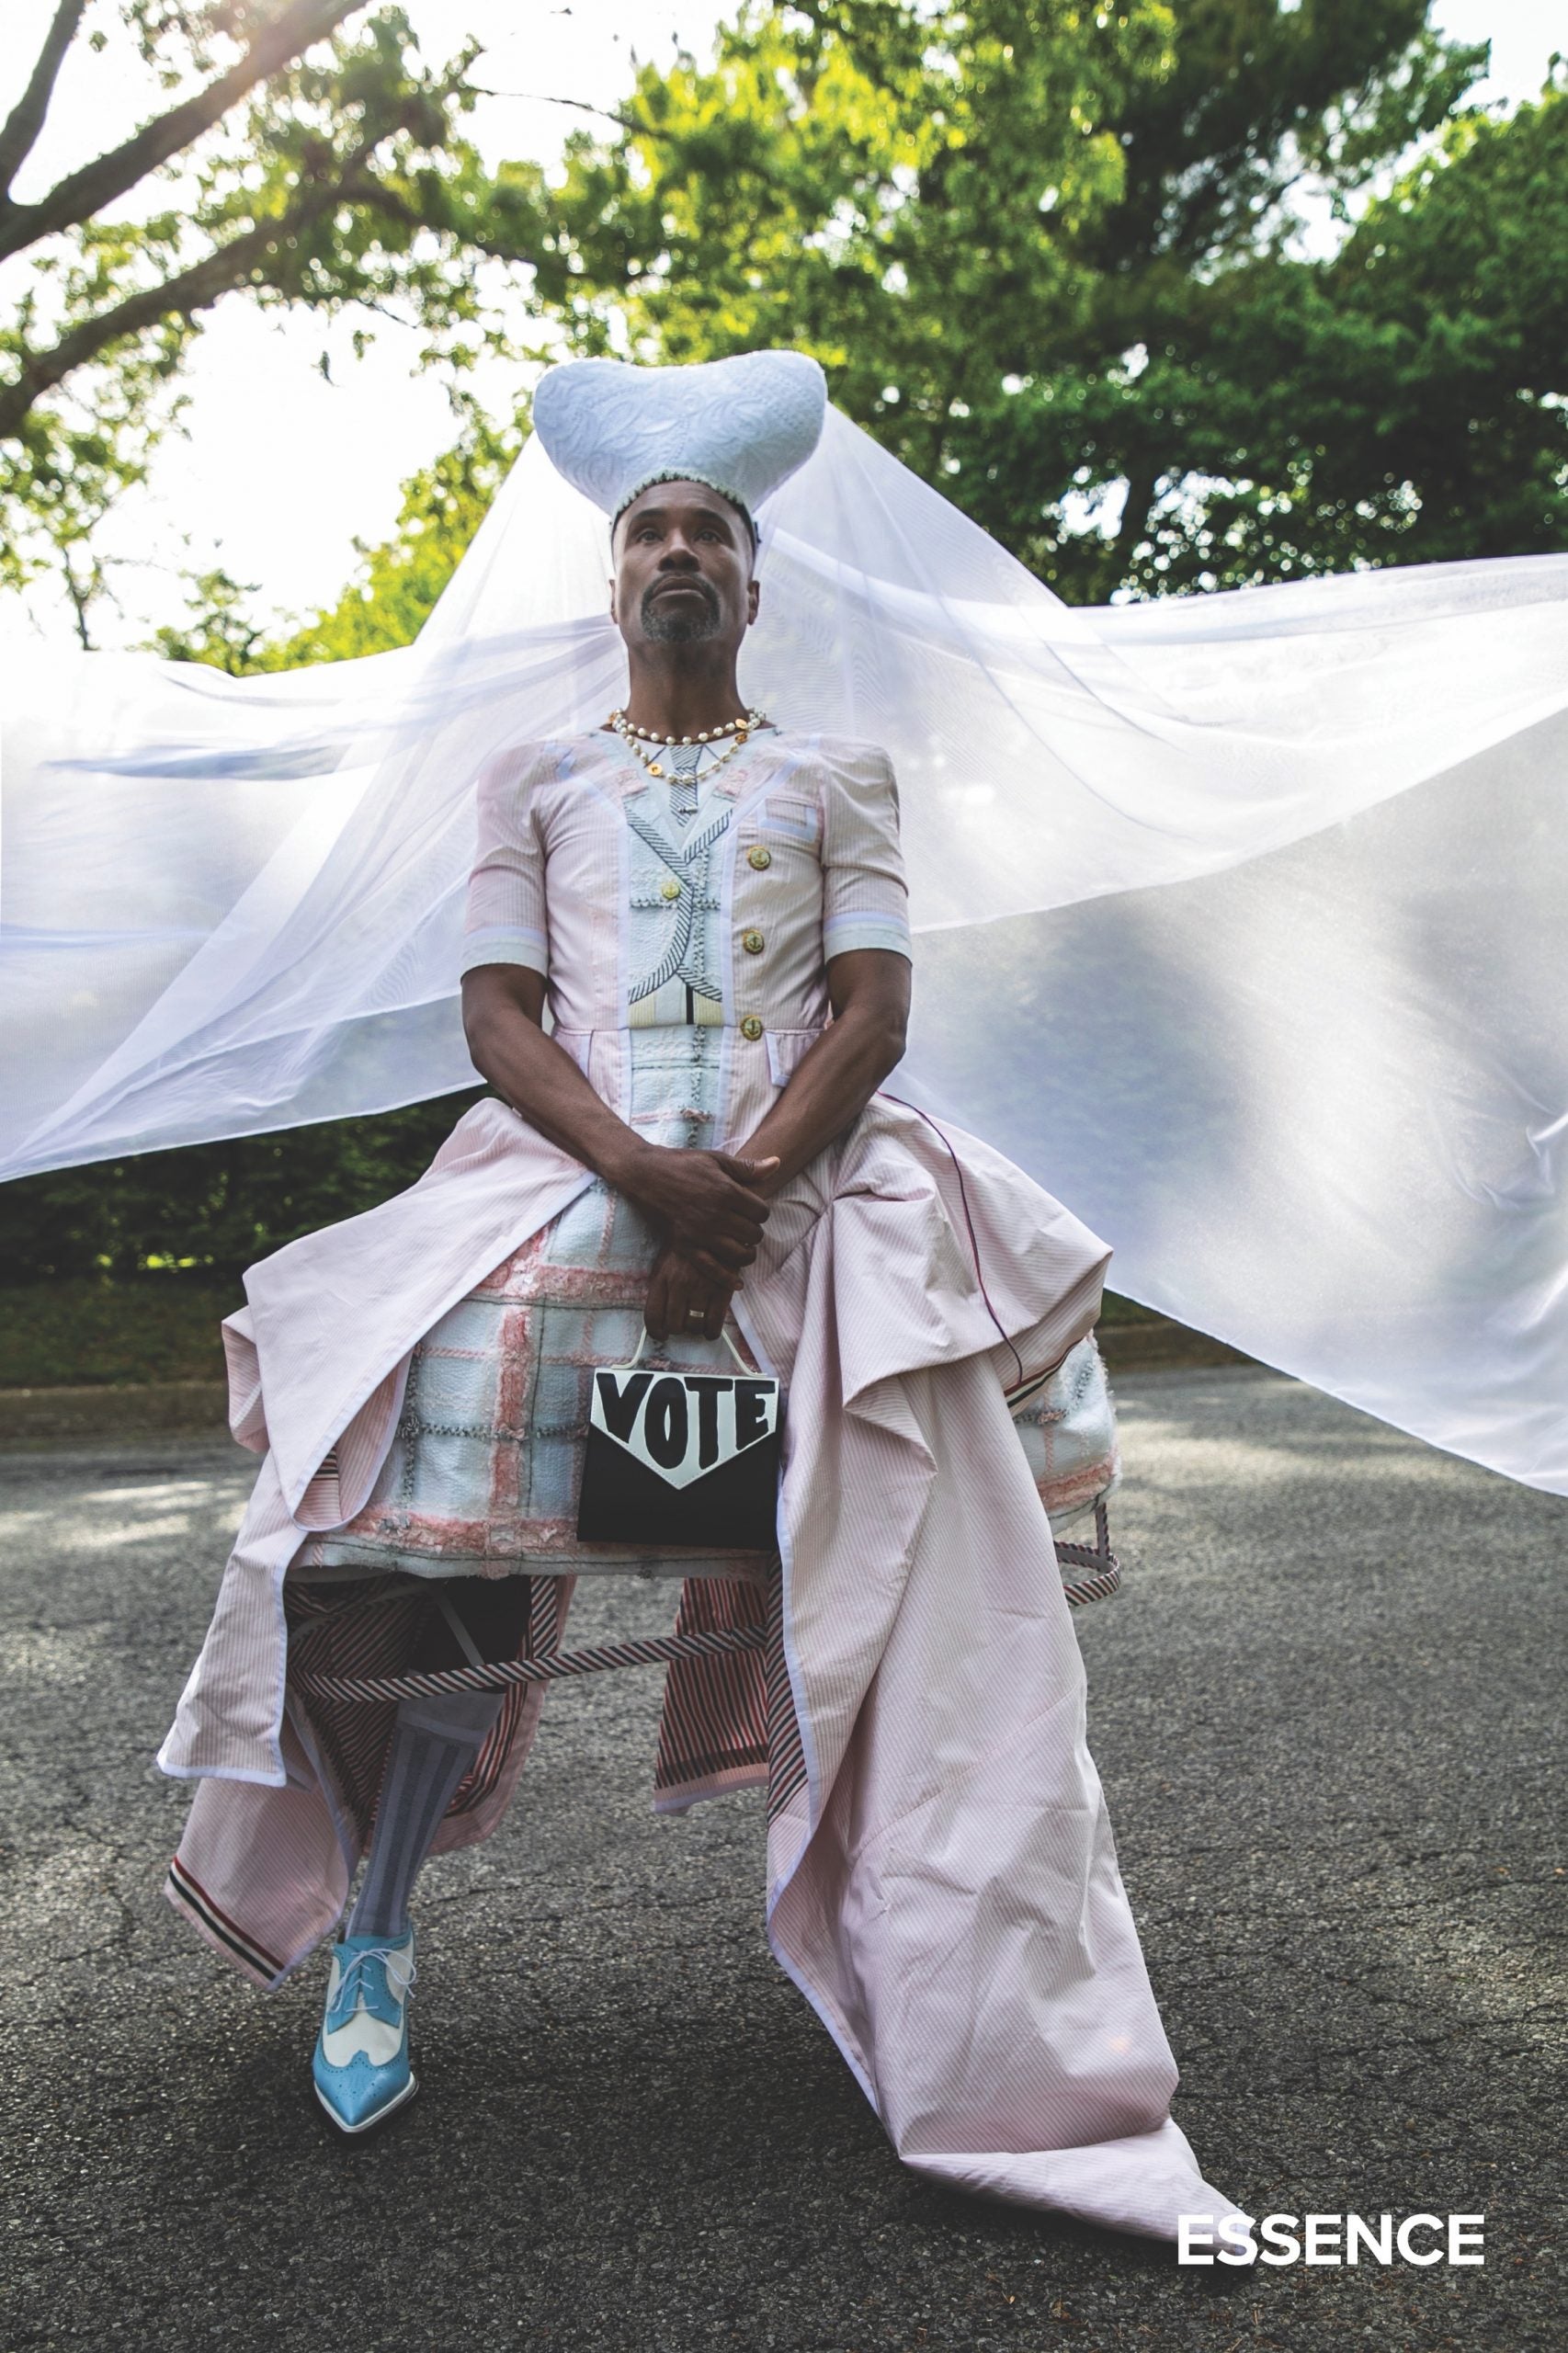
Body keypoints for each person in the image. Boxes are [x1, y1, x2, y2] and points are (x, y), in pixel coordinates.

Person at [158, 350, 1240, 2241]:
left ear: (752, 585)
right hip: (571, 1170)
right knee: (371, 1512)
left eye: (708, 533)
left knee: (920, 1537)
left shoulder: (838, 773)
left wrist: (740, 1193)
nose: (675, 550)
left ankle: (937, 1970)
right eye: (647, 527)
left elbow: (874, 1009)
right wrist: (647, 1175)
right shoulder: (535, 775)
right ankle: (374, 1935)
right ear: (612, 580)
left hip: (807, 1185)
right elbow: (498, 1015)